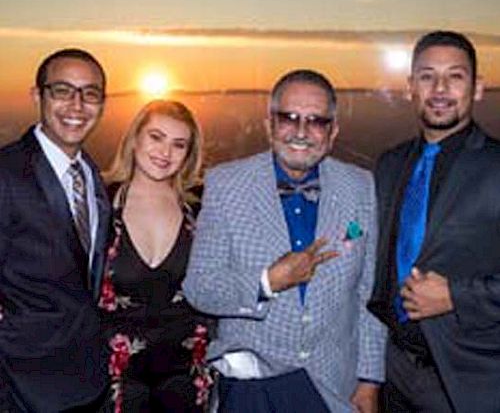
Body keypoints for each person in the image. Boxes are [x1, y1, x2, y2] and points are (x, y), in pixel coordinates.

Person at [184, 69, 386, 413]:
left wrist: (368, 382)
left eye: (316, 121)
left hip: (334, 389)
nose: (301, 132)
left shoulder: (360, 186)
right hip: (254, 390)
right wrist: (268, 282)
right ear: (269, 125)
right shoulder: (226, 185)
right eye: (289, 118)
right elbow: (200, 287)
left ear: (333, 131)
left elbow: (367, 295)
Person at [368, 30, 500, 412]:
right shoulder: (389, 165)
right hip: (392, 371)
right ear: (411, 87)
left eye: (455, 76)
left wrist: (455, 295)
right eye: (427, 76)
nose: (439, 88)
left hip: (468, 380)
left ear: (477, 88)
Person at [0, 48, 110, 411]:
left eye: (90, 93)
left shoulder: (91, 175)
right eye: (62, 90)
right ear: (38, 96)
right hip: (19, 385)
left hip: (86, 382)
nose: (77, 105)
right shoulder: (7, 172)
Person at [100, 100, 213, 412]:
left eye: (179, 145)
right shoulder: (98, 203)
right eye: (156, 137)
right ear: (135, 137)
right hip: (114, 378)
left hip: (185, 376)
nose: (165, 152)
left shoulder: (201, 210)